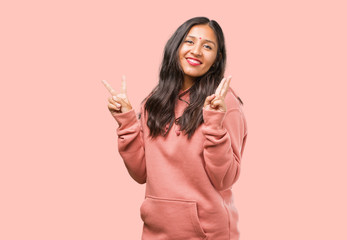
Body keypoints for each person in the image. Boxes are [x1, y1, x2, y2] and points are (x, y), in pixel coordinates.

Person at [102, 16, 248, 240]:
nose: (197, 51)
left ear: (217, 59)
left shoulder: (223, 102)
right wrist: (127, 121)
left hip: (207, 234)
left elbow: (225, 179)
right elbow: (141, 173)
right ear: (176, 46)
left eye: (207, 46)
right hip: (156, 232)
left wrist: (214, 124)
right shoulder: (155, 101)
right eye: (189, 42)